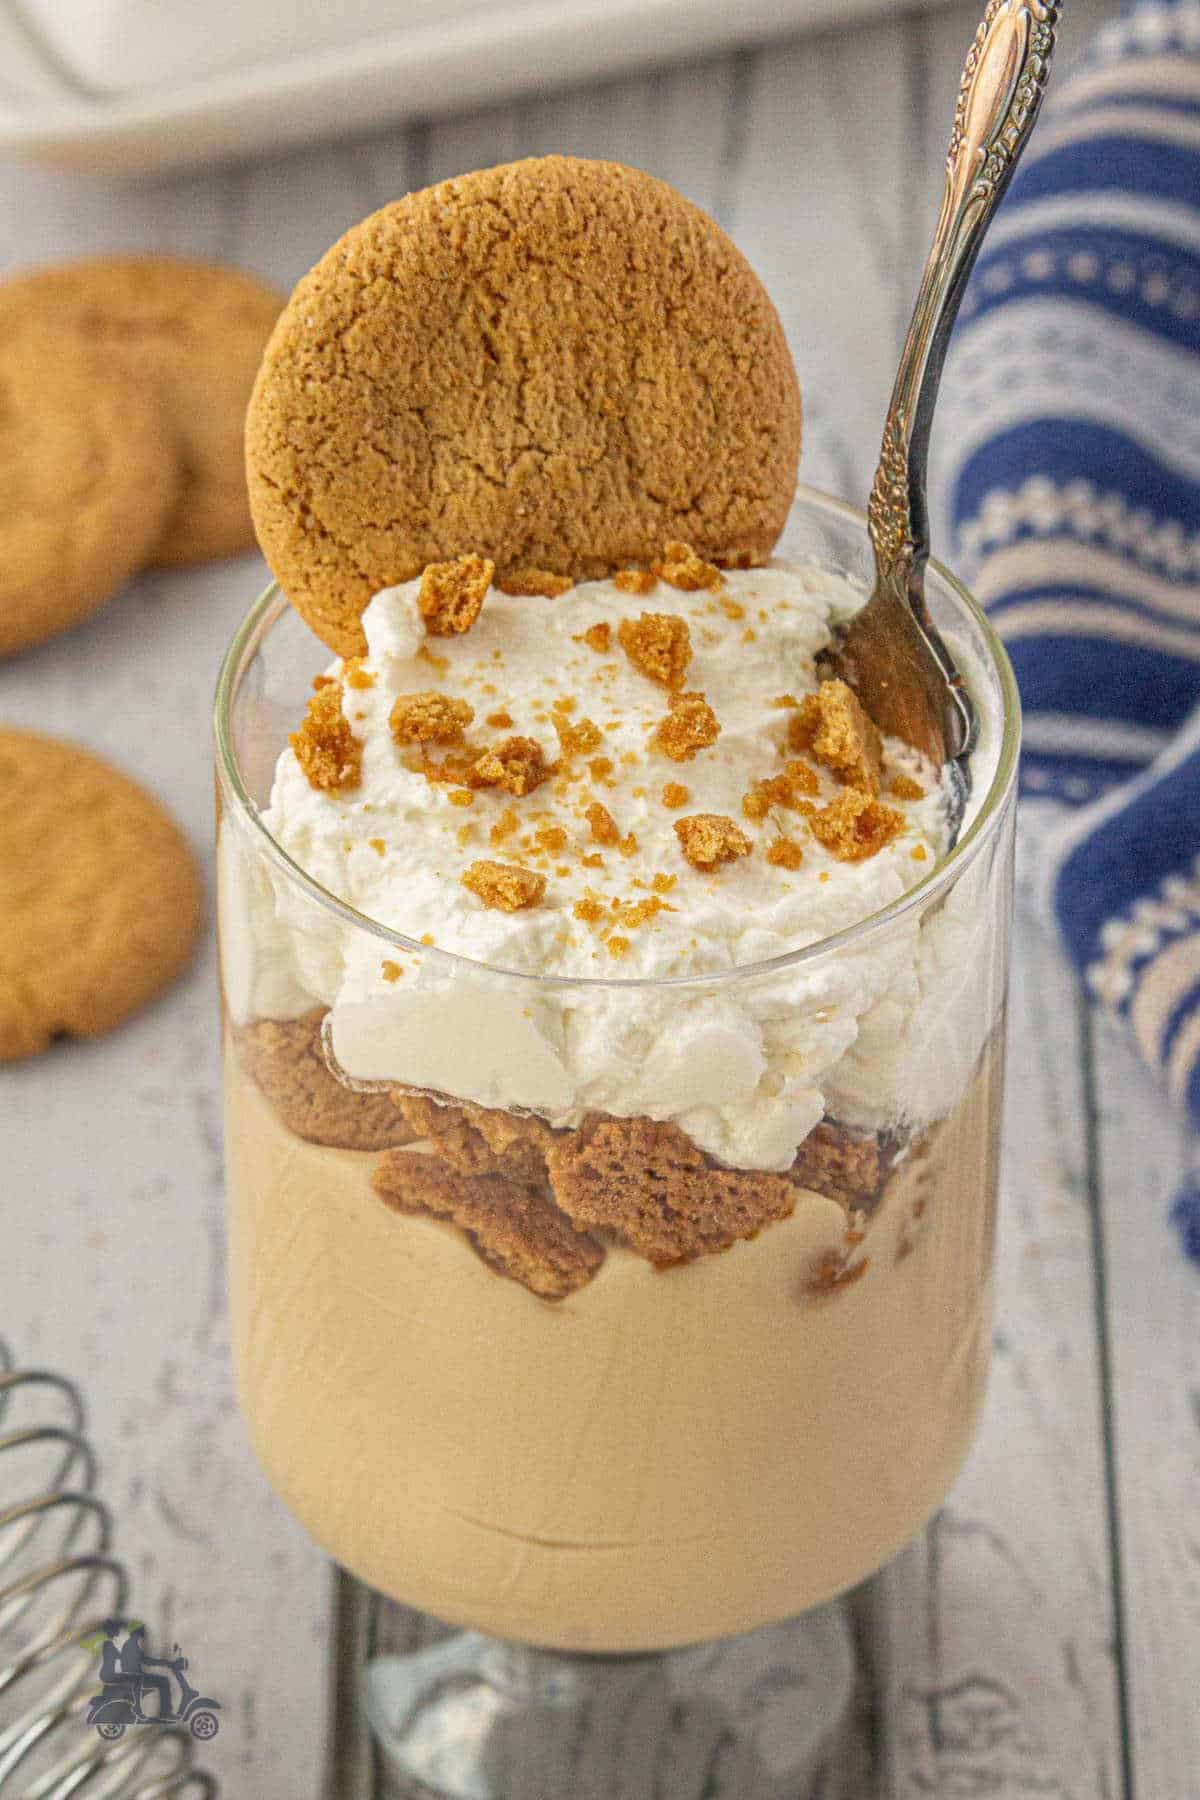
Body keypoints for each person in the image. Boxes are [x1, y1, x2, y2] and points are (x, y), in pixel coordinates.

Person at [119, 1624, 174, 1720]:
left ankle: (163, 1714)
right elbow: (145, 1661)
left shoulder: (131, 1643)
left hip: (131, 1676)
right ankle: (164, 1715)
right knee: (163, 1682)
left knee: (162, 1682)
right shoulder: (132, 1645)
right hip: (130, 1677)